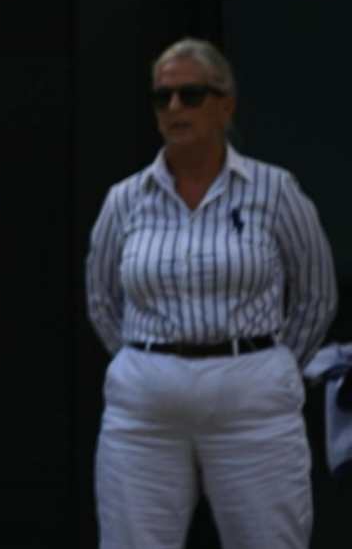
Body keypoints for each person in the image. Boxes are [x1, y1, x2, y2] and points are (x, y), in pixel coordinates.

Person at [86, 37, 338, 549]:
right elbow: (101, 298)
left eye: (191, 95)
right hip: (146, 406)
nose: (175, 108)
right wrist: (150, 360)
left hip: (251, 395)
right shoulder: (126, 198)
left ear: (226, 104)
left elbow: (316, 293)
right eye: (163, 97)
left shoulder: (275, 190)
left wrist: (273, 366)